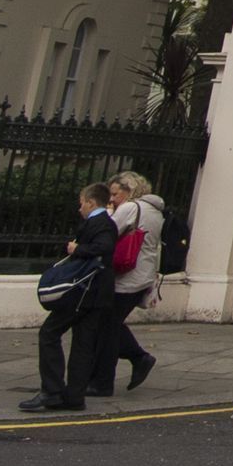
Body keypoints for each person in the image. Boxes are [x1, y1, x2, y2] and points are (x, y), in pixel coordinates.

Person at [23, 181, 122, 412]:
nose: (79, 209)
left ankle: (52, 390)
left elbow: (104, 247)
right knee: (83, 345)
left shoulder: (100, 223)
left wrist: (76, 249)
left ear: (90, 202)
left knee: (49, 333)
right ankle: (74, 396)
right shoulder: (104, 222)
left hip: (82, 292)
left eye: (81, 204)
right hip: (95, 295)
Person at [88, 170, 164, 397]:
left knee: (107, 327)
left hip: (126, 277)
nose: (111, 199)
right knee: (110, 324)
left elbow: (106, 230)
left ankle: (105, 381)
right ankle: (138, 359)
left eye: (115, 193)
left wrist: (109, 213)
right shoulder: (155, 211)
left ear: (130, 191)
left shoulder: (131, 208)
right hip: (142, 276)